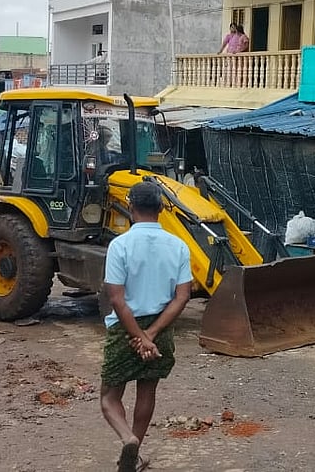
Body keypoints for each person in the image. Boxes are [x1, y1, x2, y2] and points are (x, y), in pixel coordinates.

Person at [100, 182, 192, 472]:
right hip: (161, 327)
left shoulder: (120, 245)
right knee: (147, 390)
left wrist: (138, 336)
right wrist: (151, 335)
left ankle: (127, 439)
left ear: (130, 207)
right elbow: (183, 296)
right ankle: (136, 450)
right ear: (161, 208)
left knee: (109, 397)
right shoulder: (179, 246)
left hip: (125, 331)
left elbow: (116, 299)